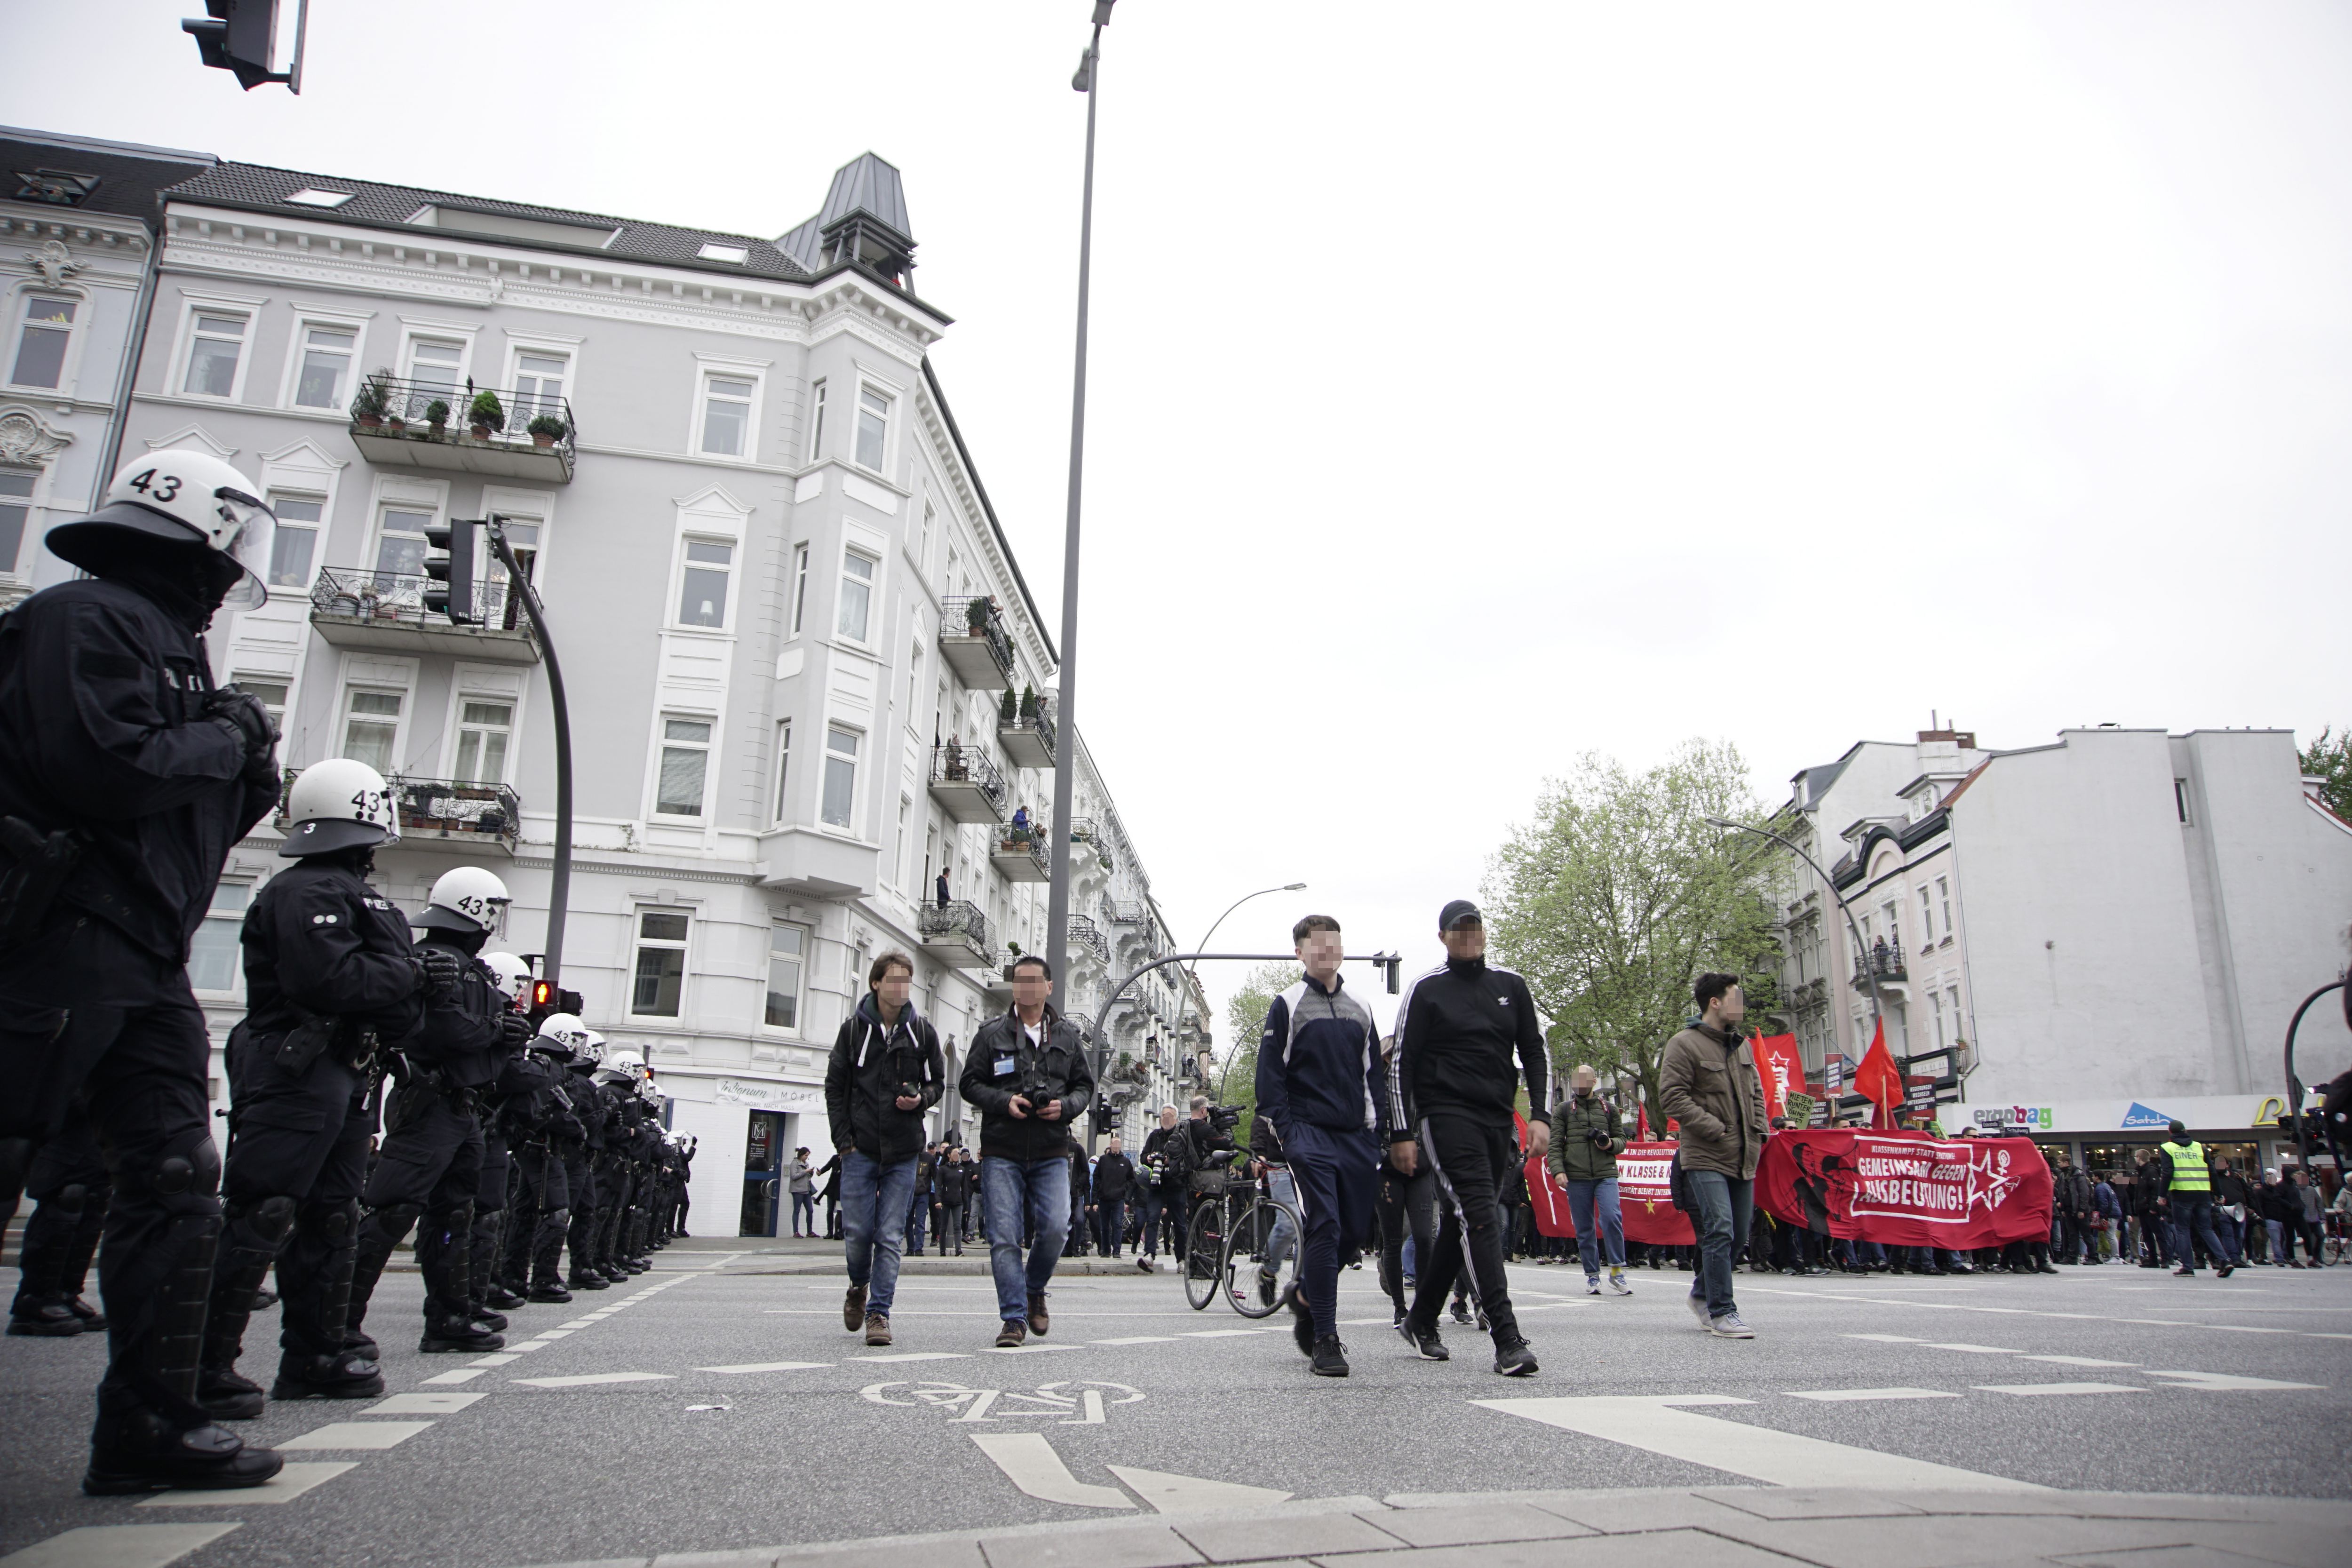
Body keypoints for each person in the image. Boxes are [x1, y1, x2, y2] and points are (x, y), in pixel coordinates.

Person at [0, 450, 289, 1495]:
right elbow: (108, 768)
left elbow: (192, 824)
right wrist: (222, 734)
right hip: (57, 936)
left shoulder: (165, 644)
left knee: (176, 1180)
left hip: (143, 953)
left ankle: (151, 1423)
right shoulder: (84, 619)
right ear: (202, 540)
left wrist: (242, 761)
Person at [199, 760, 428, 1419]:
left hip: (348, 1068)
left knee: (333, 1214)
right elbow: (331, 981)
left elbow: (398, 1005)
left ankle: (315, 1352)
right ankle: (204, 1361)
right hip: (295, 1065)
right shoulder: (304, 892)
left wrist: (397, 982)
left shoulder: (351, 894)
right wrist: (403, 975)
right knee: (263, 1208)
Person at [342, 866, 522, 1358]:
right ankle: (341, 1321)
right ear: (476, 909)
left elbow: (482, 1049)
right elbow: (447, 1034)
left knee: (455, 1216)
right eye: (492, 911)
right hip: (430, 1105)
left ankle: (448, 1318)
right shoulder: (434, 961)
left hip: (461, 1109)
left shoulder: (466, 968)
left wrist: (497, 1038)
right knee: (392, 1210)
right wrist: (496, 1033)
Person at [1388, 899, 1548, 1376]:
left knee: (1462, 1224)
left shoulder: (1510, 986)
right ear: (1443, 938)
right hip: (1444, 1116)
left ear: (1483, 933)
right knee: (1479, 1215)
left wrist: (1539, 1115)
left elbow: (1534, 1051)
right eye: (1457, 930)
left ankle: (1420, 1320)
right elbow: (1402, 1064)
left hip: (1497, 1119)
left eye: (1473, 928)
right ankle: (1505, 1337)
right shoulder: (1426, 989)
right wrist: (1400, 1131)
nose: (1467, 936)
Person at [1255, 914, 1389, 1376]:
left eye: (1333, 943)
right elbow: (1269, 1076)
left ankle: (1305, 1291)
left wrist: (1377, 1131)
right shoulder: (1286, 1005)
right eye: (1317, 944)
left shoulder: (1361, 1006)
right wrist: (1288, 1131)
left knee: (1353, 1234)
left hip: (1355, 1136)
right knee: (1325, 1225)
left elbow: (1373, 1074)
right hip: (1307, 1133)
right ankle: (1326, 1338)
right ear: (1300, 952)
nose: (1327, 951)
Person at [958, 954, 1094, 1346]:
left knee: (1055, 1227)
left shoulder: (1067, 1036)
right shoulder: (991, 1033)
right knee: (1004, 1236)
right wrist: (1005, 1102)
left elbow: (1085, 1087)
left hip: (1052, 1148)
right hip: (1002, 1148)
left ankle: (1034, 1287)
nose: (1028, 987)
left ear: (1049, 987)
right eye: (1020, 980)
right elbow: (969, 1083)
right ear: (1014, 987)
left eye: (1035, 980)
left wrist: (1064, 1107)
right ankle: (1014, 1318)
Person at [823, 951, 943, 1348]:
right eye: (894, 980)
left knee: (891, 1235)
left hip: (904, 1151)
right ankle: (858, 1285)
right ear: (876, 983)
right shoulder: (853, 1031)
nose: (901, 987)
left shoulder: (922, 1031)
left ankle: (879, 1313)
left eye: (906, 981)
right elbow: (835, 1088)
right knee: (858, 1232)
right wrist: (844, 1142)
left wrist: (921, 1099)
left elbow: (939, 1083)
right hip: (860, 1149)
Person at [1658, 973, 1770, 1339]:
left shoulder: (1744, 1046)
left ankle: (1703, 1292)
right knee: (1719, 1228)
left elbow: (1757, 1093)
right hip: (1705, 1153)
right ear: (1715, 1002)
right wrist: (1714, 1127)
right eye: (1736, 997)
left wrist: (1760, 1129)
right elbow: (1672, 1097)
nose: (1742, 1004)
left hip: (1744, 1154)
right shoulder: (1683, 1044)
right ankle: (1723, 1311)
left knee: (1738, 1236)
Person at [506, 1016, 588, 1303]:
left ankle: (514, 1277)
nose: (579, 1047)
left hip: (533, 1147)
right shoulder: (552, 1069)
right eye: (576, 1039)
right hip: (544, 1147)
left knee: (525, 1213)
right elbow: (548, 1114)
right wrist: (576, 1128)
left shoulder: (545, 1064)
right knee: (557, 1212)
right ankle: (543, 1278)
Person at [8, 1109, 109, 1337]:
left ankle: (65, 1292)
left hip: (100, 1112)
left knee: (95, 1196)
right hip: (65, 1105)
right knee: (67, 1193)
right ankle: (34, 1299)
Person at [1549, 1064, 1631, 1296]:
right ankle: (1593, 1276)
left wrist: (1610, 1144)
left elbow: (1622, 1140)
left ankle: (1617, 1271)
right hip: (1576, 1177)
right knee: (1585, 1227)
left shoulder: (1610, 1109)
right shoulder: (1564, 1110)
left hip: (1606, 1173)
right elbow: (1554, 1144)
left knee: (1612, 1217)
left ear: (1594, 1081)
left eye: (1585, 1079)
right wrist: (1558, 1171)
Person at [2154, 1119, 2233, 1277]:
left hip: (2182, 1193)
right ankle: (2224, 1260)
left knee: (2183, 1230)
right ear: (2185, 1131)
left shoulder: (2168, 1148)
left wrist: (2162, 1195)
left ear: (2170, 1132)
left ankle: (2188, 1267)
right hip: (2203, 1193)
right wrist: (2219, 1193)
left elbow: (2167, 1172)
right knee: (2206, 1229)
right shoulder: (2200, 1147)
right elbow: (2211, 1170)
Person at [1137, 1104, 1187, 1271]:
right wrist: (1150, 1159)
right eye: (1164, 1116)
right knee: (1152, 1219)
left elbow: (1186, 1159)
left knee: (1180, 1223)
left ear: (1176, 1119)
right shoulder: (1154, 1136)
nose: (1167, 1119)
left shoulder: (1182, 1136)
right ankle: (1149, 1254)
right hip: (1157, 1184)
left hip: (1176, 1184)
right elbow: (1143, 1156)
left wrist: (1169, 1161)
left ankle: (1182, 1259)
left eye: (1170, 1116)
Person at [1091, 1133, 1135, 1258]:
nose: (1116, 1146)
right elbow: (1096, 1177)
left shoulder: (1126, 1162)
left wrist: (1126, 1196)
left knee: (1117, 1225)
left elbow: (1132, 1180)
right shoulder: (1104, 1160)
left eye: (1118, 1144)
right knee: (1105, 1227)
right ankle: (1106, 1251)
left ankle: (1117, 1251)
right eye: (1114, 1144)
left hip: (1119, 1200)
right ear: (1111, 1145)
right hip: (1104, 1198)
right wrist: (1097, 1195)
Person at [936, 1145, 968, 1255]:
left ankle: (958, 1250)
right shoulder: (943, 1169)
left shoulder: (962, 1169)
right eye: (955, 1154)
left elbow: (965, 1188)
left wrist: (966, 1204)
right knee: (943, 1226)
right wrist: (938, 1200)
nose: (957, 1156)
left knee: (958, 1226)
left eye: (958, 1154)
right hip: (945, 1201)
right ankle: (942, 1251)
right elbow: (939, 1186)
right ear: (949, 1155)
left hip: (958, 1202)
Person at [787, 1147, 816, 1238]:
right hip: (797, 1190)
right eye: (806, 1155)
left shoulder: (806, 1164)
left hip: (806, 1190)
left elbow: (806, 1176)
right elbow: (794, 1176)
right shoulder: (795, 1163)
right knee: (797, 1210)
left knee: (810, 1210)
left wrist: (811, 1173)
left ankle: (810, 1231)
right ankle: (796, 1232)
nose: (807, 1157)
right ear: (801, 1154)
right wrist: (805, 1171)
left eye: (808, 1156)